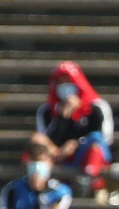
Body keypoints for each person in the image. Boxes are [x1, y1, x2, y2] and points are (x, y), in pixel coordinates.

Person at [32, 61, 114, 195]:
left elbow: (106, 139)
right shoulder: (46, 111)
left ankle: (90, 179)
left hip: (86, 153)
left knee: (95, 141)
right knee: (37, 149)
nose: (65, 87)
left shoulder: (97, 107)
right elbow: (43, 141)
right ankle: (41, 190)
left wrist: (77, 144)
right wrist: (62, 118)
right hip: (58, 157)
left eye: (68, 82)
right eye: (60, 83)